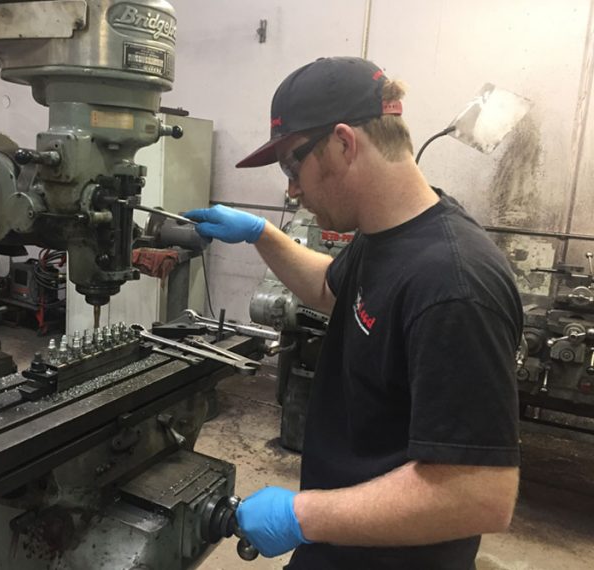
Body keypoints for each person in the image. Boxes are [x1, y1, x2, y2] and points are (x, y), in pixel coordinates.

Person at [184, 57, 522, 569]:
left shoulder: (454, 285)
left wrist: (302, 516)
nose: (291, 190)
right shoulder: (387, 236)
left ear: (344, 143)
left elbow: (477, 495)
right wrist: (261, 234)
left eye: (292, 167)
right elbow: (331, 287)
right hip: (343, 541)